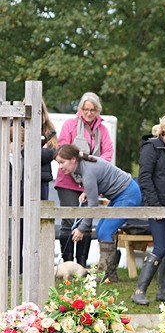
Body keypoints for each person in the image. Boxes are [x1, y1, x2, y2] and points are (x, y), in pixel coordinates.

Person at [53, 143, 141, 282]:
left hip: (128, 195)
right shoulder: (84, 166)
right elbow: (99, 182)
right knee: (100, 230)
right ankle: (110, 275)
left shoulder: (87, 172)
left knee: (105, 231)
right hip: (120, 195)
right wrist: (87, 192)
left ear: (73, 160)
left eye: (62, 162)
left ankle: (104, 273)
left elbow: (93, 206)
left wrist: (81, 229)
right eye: (58, 163)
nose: (60, 166)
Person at [132, 113, 165, 306]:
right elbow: (145, 178)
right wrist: (156, 206)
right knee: (161, 247)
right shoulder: (151, 147)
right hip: (157, 206)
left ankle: (163, 291)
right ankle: (139, 290)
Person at [55, 92, 114, 266]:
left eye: (92, 110)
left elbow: (108, 153)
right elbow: (63, 148)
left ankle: (81, 265)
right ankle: (67, 264)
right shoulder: (70, 125)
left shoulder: (103, 130)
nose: (88, 113)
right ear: (80, 109)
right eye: (85, 109)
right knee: (69, 219)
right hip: (68, 179)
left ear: (97, 110)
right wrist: (79, 165)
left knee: (86, 220)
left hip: (91, 180)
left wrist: (92, 170)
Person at [38, 102, 57, 201]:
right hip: (21, 178)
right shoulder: (19, 127)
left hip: (43, 179)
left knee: (43, 207)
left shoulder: (49, 129)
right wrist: (42, 150)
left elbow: (51, 153)